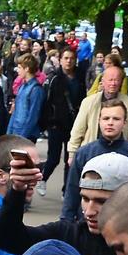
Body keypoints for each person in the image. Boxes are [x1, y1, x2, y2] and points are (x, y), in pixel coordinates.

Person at [0, 150, 128, 255]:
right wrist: (17, 190)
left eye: (101, 201)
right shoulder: (68, 235)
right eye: (85, 199)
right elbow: (7, 239)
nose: (90, 211)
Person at [64, 99, 128, 219]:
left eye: (116, 119)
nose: (110, 123)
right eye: (106, 118)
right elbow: (72, 190)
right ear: (99, 121)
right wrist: (66, 220)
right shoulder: (84, 153)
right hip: (87, 221)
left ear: (125, 123)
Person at [69, 65, 128, 153]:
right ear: (103, 81)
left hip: (119, 153)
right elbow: (78, 129)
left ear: (121, 82)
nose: (113, 84)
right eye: (110, 80)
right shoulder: (89, 102)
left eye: (116, 80)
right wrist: (72, 152)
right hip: (91, 151)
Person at [40, 48, 79, 193]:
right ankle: (42, 179)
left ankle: (66, 189)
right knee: (53, 158)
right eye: (66, 58)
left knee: (70, 159)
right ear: (60, 60)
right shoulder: (54, 78)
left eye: (71, 58)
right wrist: (45, 122)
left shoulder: (79, 77)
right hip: (56, 124)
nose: (69, 61)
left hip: (73, 124)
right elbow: (46, 101)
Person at [7, 54, 44, 139]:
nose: (17, 70)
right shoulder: (22, 86)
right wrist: (9, 131)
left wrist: (23, 136)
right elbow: (15, 111)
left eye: (19, 68)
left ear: (27, 69)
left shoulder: (36, 89)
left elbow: (33, 116)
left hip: (26, 134)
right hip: (16, 130)